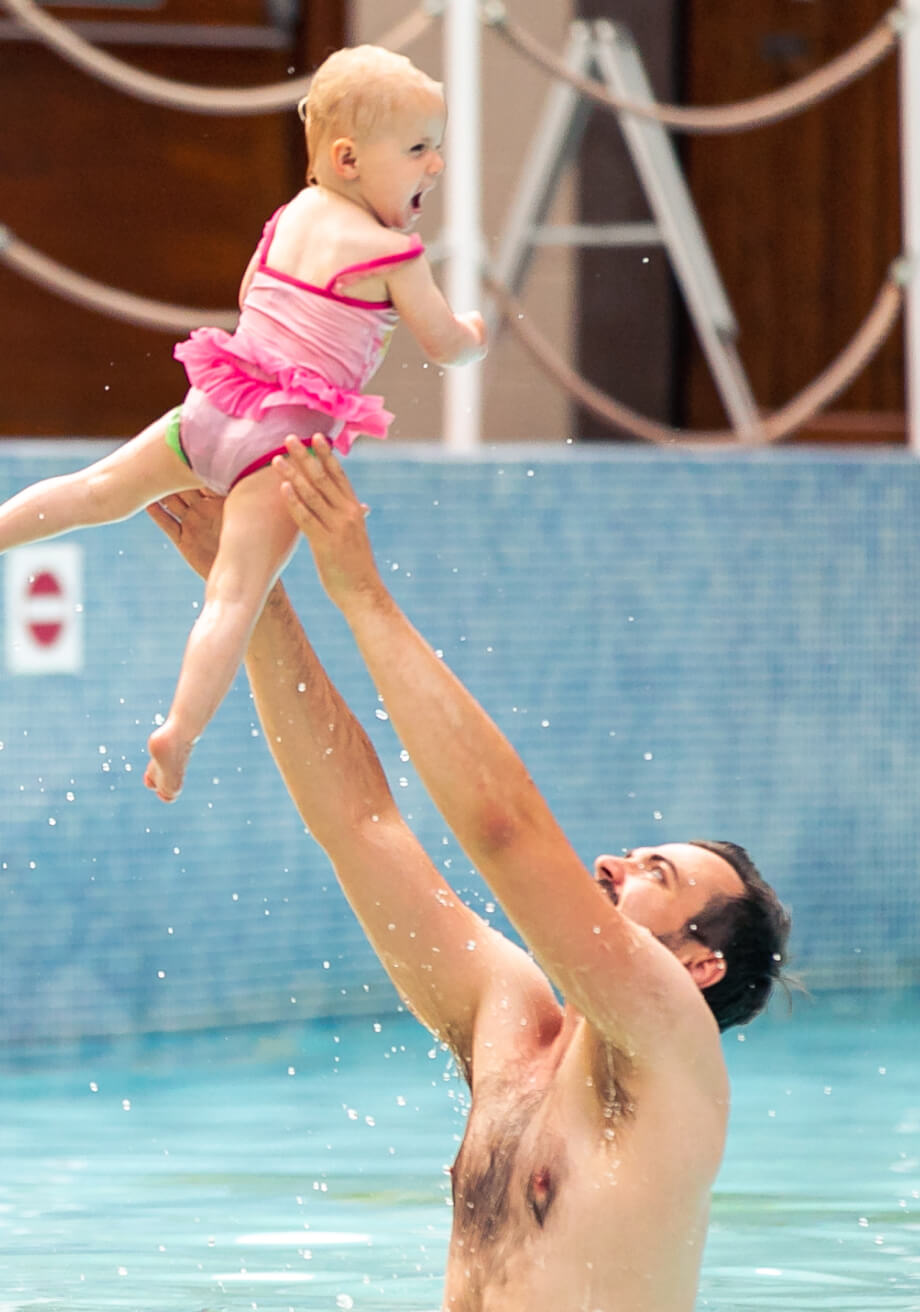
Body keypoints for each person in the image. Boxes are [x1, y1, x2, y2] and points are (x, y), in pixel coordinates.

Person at [149, 437, 790, 1312]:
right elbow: (362, 826)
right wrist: (254, 597)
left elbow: (505, 832)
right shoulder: (514, 1033)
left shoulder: (674, 1050)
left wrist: (362, 592)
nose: (612, 862)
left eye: (656, 873)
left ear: (697, 964)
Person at [0, 45, 485, 803]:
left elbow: (251, 288)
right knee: (233, 594)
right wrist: (474, 333)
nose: (438, 164)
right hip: (280, 448)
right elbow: (442, 345)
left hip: (216, 403)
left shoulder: (290, 215)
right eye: (419, 148)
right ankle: (179, 731)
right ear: (348, 157)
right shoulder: (393, 253)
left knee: (96, 491)